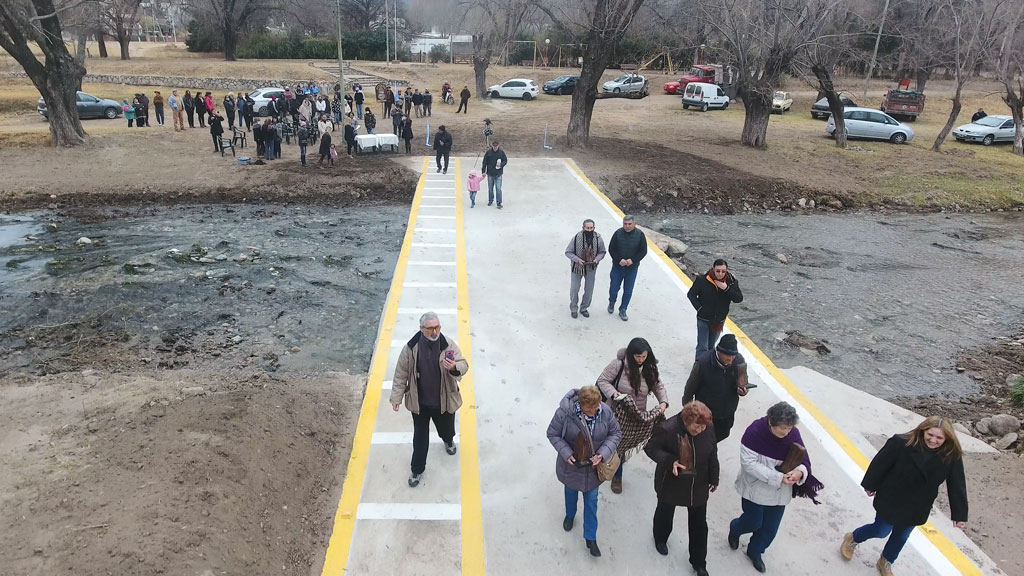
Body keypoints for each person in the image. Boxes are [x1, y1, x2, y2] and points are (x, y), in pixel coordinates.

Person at [840, 416, 968, 576]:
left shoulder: (951, 455)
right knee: (881, 530)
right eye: (930, 435)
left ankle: (886, 560)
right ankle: (853, 538)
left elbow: (957, 483)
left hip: (919, 504)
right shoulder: (901, 443)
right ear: (923, 431)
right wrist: (870, 484)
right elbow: (881, 463)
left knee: (901, 536)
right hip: (892, 496)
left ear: (947, 438)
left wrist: (959, 514)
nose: (933, 440)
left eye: (939, 438)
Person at [728, 402, 824, 574]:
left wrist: (799, 473)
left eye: (789, 428)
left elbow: (804, 459)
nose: (787, 433)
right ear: (771, 421)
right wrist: (778, 477)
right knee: (753, 521)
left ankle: (755, 552)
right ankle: (735, 529)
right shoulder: (754, 433)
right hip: (755, 488)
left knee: (770, 529)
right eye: (783, 429)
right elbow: (749, 464)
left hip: (779, 493)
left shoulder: (793, 434)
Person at [390, 312, 469, 487]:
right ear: (421, 329)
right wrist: (397, 397)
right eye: (431, 328)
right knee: (420, 439)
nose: (435, 332)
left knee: (447, 428)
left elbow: (464, 364)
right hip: (420, 404)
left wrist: (454, 367)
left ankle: (448, 440)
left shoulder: (448, 344)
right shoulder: (411, 348)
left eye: (437, 327)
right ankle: (417, 470)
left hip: (444, 400)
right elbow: (401, 373)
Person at [546, 385, 622, 558]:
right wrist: (566, 453)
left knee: (591, 502)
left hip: (593, 469)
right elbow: (553, 433)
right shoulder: (564, 414)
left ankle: (590, 537)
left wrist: (602, 455)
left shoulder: (605, 412)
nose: (594, 411)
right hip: (572, 466)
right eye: (589, 409)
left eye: (596, 407)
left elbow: (615, 433)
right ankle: (570, 515)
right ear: (580, 404)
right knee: (570, 492)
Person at [645, 401, 718, 576]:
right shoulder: (668, 428)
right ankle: (660, 538)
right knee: (665, 512)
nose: (701, 430)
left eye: (703, 427)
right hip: (672, 482)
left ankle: (699, 562)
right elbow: (651, 448)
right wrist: (670, 461)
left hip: (698, 484)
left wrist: (714, 477)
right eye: (697, 427)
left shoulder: (708, 427)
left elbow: (713, 453)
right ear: (686, 420)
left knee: (699, 524)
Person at [596, 337, 669, 494]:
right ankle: (616, 474)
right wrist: (615, 394)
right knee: (617, 443)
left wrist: (663, 402)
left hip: (637, 415)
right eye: (638, 357)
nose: (641, 360)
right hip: (616, 412)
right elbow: (603, 381)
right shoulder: (619, 365)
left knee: (624, 445)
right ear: (631, 354)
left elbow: (658, 386)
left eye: (644, 357)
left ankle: (616, 466)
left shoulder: (649, 367)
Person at [682, 334, 749, 443]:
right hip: (706, 414)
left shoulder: (739, 360)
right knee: (702, 440)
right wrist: (687, 411)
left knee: (720, 436)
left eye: (733, 356)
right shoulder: (703, 363)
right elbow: (690, 388)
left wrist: (742, 391)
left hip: (727, 412)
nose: (731, 359)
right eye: (728, 357)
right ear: (719, 352)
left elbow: (743, 382)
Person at [687, 259, 743, 357]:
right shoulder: (702, 280)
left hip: (718, 321)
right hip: (703, 318)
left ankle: (708, 366)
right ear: (713, 269)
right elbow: (691, 294)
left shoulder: (731, 282)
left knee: (711, 346)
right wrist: (700, 308)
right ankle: (699, 368)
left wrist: (726, 289)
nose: (720, 274)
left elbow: (738, 299)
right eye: (718, 271)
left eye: (723, 271)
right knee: (702, 346)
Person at [607, 214, 648, 321]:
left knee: (628, 290)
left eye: (630, 224)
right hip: (617, 267)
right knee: (614, 288)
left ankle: (623, 309)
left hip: (632, 268)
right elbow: (611, 248)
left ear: (634, 224)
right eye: (625, 224)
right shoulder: (617, 233)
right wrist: (619, 259)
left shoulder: (640, 235)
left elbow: (643, 251)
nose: (627, 226)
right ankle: (612, 302)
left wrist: (632, 260)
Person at [565, 219, 606, 318]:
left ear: (594, 228)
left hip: (591, 268)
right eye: (587, 228)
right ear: (583, 228)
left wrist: (597, 259)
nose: (589, 230)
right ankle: (574, 308)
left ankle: (584, 308)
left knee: (589, 290)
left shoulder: (598, 238)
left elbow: (602, 252)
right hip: (577, 268)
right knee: (574, 289)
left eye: (591, 228)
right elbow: (568, 252)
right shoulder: (576, 238)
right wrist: (577, 260)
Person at [481, 141, 508, 209]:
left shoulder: (501, 152)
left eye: (496, 146)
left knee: (498, 189)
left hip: (498, 174)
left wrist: (501, 165)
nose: (495, 147)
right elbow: (484, 162)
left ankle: (499, 203)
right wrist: (483, 171)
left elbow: (505, 160)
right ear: (492, 146)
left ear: (498, 146)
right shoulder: (488, 152)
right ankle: (490, 200)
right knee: (490, 189)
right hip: (490, 174)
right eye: (494, 146)